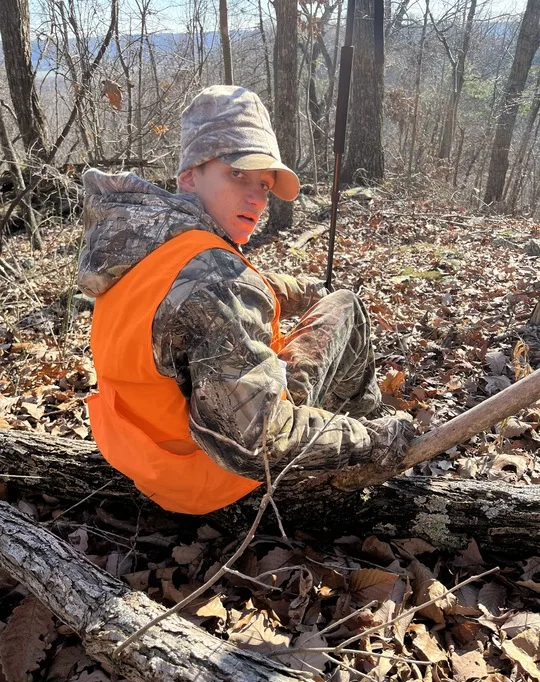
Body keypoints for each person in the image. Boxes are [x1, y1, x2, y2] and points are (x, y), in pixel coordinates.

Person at [78, 85, 414, 515]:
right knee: (345, 306)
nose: (256, 198)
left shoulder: (140, 244)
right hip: (213, 479)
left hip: (150, 463)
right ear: (189, 175)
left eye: (264, 184)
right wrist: (376, 441)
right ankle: (364, 437)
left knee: (320, 305)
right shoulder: (215, 278)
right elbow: (257, 442)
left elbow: (194, 301)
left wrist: (302, 290)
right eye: (238, 174)